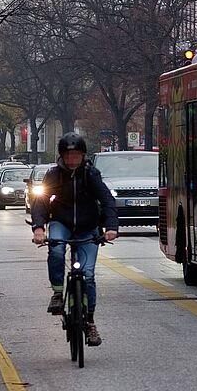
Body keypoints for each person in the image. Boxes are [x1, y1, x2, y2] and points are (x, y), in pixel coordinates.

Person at [30, 133, 118, 346]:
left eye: (76, 155)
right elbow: (41, 201)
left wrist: (111, 227)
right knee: (57, 249)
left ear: (83, 155)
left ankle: (89, 322)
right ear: (62, 156)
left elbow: (107, 200)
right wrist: (39, 228)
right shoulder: (53, 175)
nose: (72, 159)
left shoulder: (91, 174)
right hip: (62, 223)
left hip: (88, 228)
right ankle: (58, 293)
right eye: (68, 155)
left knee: (87, 275)